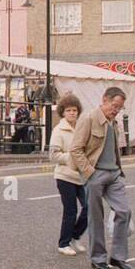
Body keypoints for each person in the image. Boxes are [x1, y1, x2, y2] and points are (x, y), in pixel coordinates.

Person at [74, 86, 133, 269]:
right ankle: (98, 258)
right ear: (104, 100)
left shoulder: (113, 122)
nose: (115, 111)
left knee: (124, 211)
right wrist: (89, 173)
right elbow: (76, 149)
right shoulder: (89, 119)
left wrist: (118, 169)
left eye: (119, 108)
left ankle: (118, 257)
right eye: (114, 106)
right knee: (96, 217)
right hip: (95, 174)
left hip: (114, 174)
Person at [48, 93, 89, 257]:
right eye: (69, 110)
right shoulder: (58, 130)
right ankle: (63, 243)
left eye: (74, 110)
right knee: (70, 211)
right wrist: (72, 158)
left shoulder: (82, 128)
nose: (72, 113)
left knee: (89, 208)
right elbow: (53, 155)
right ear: (63, 113)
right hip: (65, 176)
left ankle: (75, 236)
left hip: (82, 176)